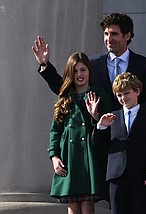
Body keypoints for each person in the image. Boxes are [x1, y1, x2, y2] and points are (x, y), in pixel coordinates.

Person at [32, 12, 146, 110]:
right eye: (106, 34)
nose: (109, 39)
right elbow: (65, 88)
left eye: (114, 34)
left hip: (132, 135)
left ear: (127, 36)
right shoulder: (93, 64)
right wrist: (45, 65)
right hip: (98, 134)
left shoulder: (145, 65)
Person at [48, 52, 112, 214]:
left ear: (89, 71)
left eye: (83, 70)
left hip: (91, 156)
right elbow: (56, 130)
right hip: (69, 156)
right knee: (73, 205)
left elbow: (108, 130)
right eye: (75, 71)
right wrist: (54, 157)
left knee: (87, 205)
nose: (79, 74)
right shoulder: (64, 97)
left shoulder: (101, 96)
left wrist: (95, 116)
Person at [87, 72, 146, 214]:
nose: (123, 98)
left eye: (126, 93)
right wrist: (101, 126)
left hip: (140, 176)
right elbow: (97, 143)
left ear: (137, 91)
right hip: (116, 176)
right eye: (119, 95)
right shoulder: (113, 116)